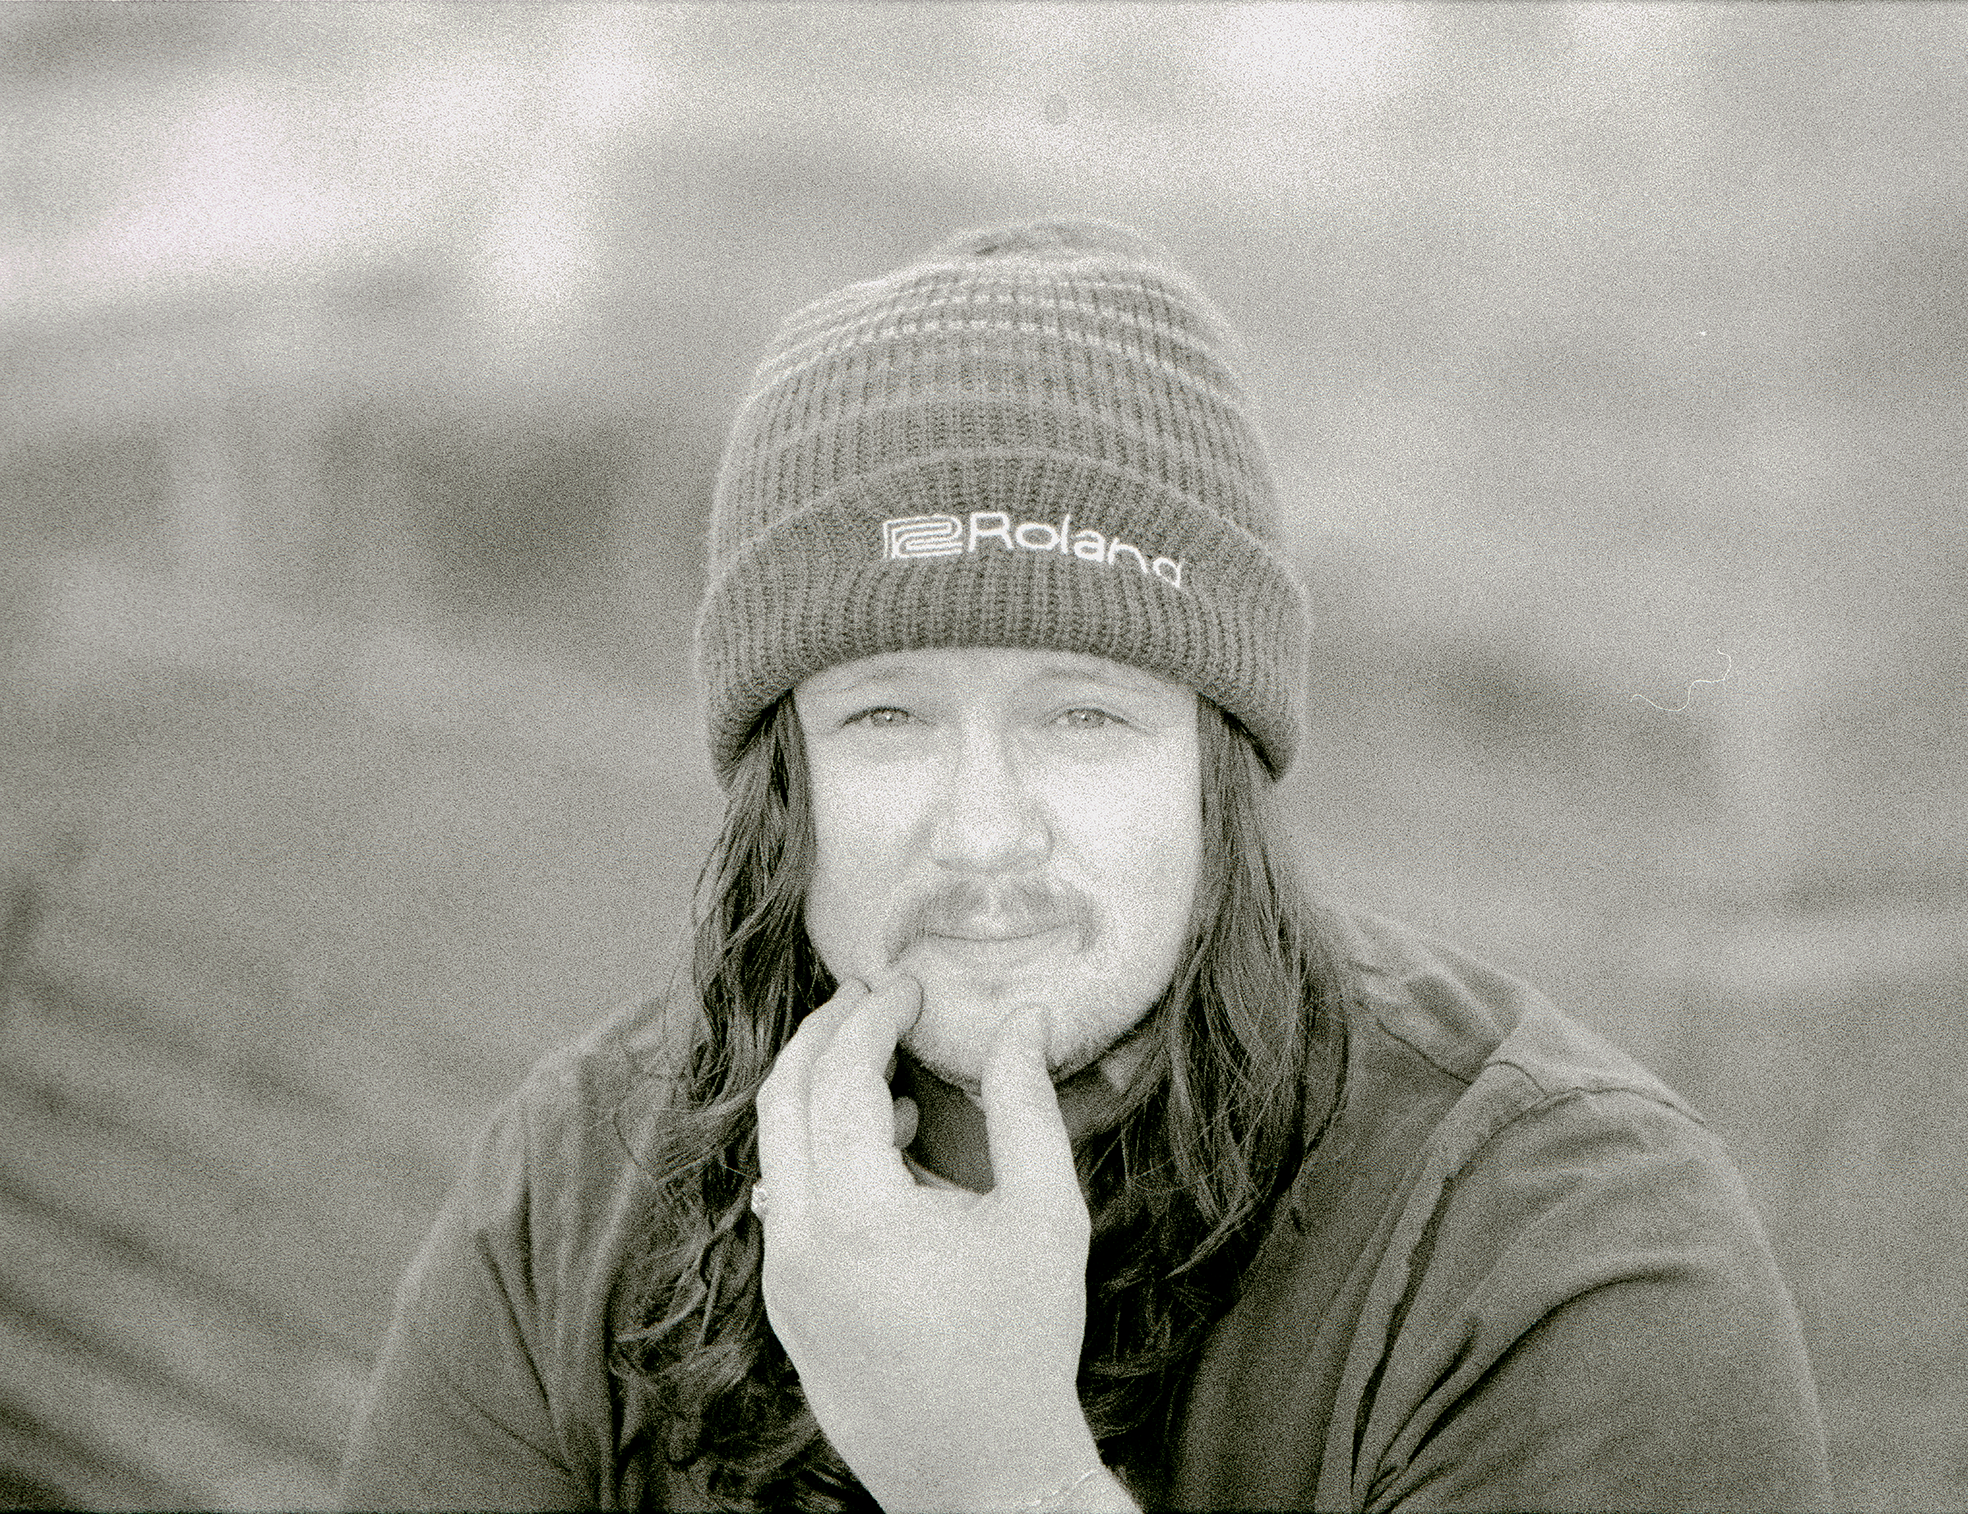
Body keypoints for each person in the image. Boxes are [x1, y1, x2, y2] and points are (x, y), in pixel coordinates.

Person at [339, 219, 1831, 1512]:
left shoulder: (1557, 1247)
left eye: (1082, 713)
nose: (984, 831)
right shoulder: (570, 1199)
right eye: (888, 715)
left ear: (1216, 756)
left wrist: (999, 1475)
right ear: (781, 777)